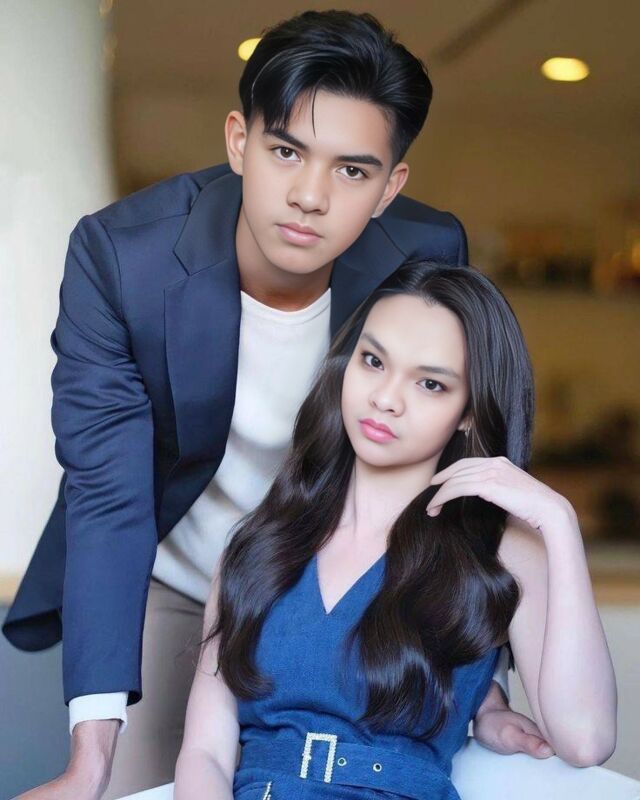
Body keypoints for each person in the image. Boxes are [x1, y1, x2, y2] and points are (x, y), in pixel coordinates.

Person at [7, 12, 551, 800]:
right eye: (286, 151)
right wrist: (90, 755)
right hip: (177, 572)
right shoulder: (123, 259)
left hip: (346, 583)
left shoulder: (424, 252)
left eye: (352, 171)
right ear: (239, 141)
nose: (309, 197)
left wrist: (484, 684)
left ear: (391, 187)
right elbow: (108, 492)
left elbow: (470, 464)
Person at [174, 261, 617, 799]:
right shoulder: (258, 546)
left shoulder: (500, 552)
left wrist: (558, 522)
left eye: (430, 383)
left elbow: (586, 739)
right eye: (373, 361)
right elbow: (205, 752)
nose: (386, 398)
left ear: (469, 412)